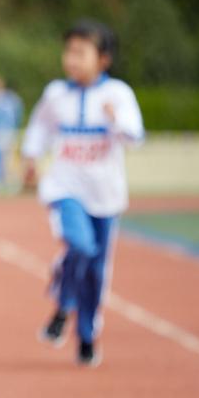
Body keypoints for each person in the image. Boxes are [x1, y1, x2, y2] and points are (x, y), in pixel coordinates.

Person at [21, 20, 144, 367]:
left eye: (81, 53)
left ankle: (86, 334)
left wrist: (116, 120)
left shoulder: (118, 94)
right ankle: (64, 303)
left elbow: (135, 136)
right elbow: (40, 127)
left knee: (95, 269)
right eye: (69, 52)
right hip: (65, 188)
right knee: (79, 244)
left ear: (103, 59)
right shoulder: (56, 94)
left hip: (105, 195)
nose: (72, 60)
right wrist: (31, 157)